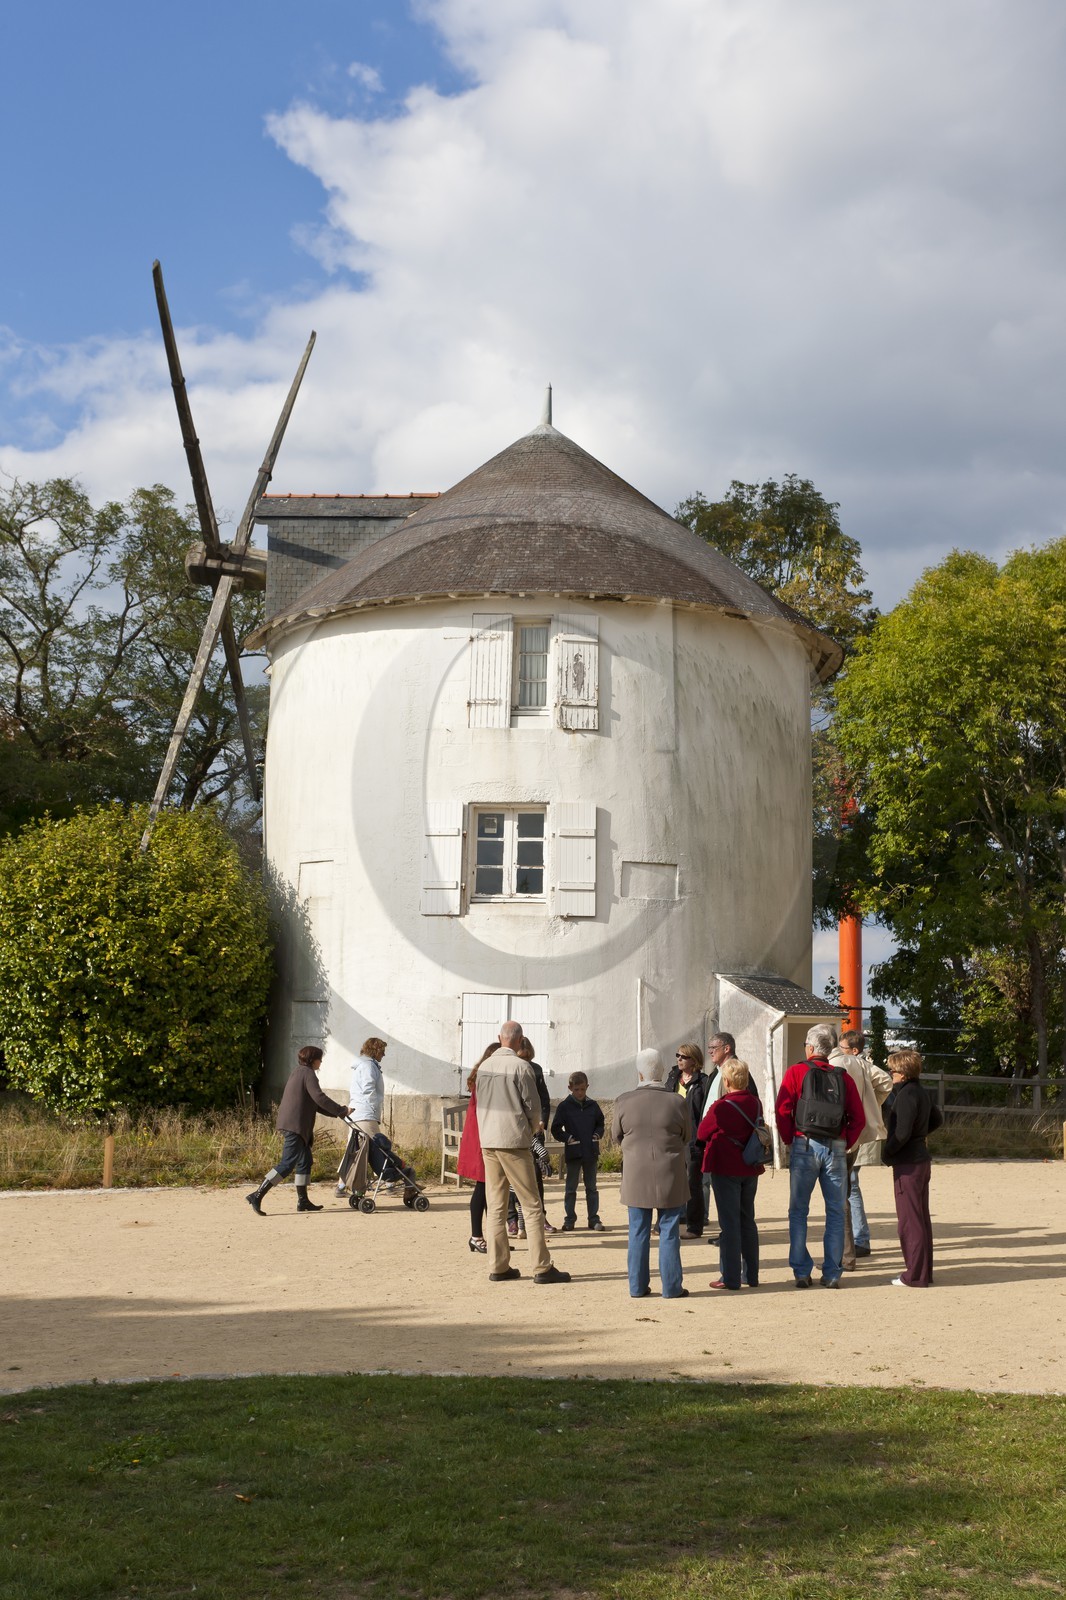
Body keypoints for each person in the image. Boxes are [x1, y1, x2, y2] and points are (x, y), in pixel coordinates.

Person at [477, 1020, 570, 1285]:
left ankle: (498, 1265)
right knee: (531, 1204)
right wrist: (531, 1130)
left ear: (500, 1038)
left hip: (489, 1140)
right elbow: (533, 1105)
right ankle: (541, 1267)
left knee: (496, 1205)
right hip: (513, 1140)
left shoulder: (484, 1066)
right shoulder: (521, 1066)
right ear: (520, 1040)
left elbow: (479, 1102)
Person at [775, 1023, 866, 1287]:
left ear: (811, 1047)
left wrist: (788, 1139)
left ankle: (802, 1271)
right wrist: (844, 1142)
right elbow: (858, 1118)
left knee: (798, 1211)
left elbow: (783, 1110)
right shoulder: (843, 1077)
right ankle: (832, 1273)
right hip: (835, 1146)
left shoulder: (796, 1072)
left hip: (804, 1144)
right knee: (835, 1211)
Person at [611, 1047, 692, 1299]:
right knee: (669, 1231)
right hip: (670, 1172)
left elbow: (616, 1136)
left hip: (636, 1174)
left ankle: (637, 1286)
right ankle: (672, 1287)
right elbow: (687, 1136)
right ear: (661, 1071)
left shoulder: (623, 1101)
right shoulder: (677, 1101)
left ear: (640, 1073)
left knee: (637, 1231)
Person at [246, 1044, 348, 1214]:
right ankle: (257, 1195)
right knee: (286, 1164)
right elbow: (319, 1097)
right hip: (295, 1126)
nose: (321, 1062)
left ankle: (303, 1201)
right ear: (313, 1060)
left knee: (305, 1161)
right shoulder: (308, 1074)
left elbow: (314, 1103)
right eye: (319, 1059)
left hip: (294, 1125)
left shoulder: (298, 1072)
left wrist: (339, 1113)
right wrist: (341, 1110)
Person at [697, 1058, 763, 1290]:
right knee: (747, 1221)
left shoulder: (721, 1106)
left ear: (726, 1081)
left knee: (730, 1224)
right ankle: (751, 1275)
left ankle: (731, 1277)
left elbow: (702, 1133)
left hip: (726, 1167)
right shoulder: (755, 1102)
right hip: (750, 1166)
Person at [829, 1028, 892, 1268]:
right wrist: (872, 1104)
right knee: (851, 1186)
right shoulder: (863, 1065)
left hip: (852, 1133)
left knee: (849, 1187)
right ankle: (858, 1238)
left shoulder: (850, 1064)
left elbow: (886, 1082)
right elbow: (885, 1082)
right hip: (860, 1131)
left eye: (843, 1048)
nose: (840, 1051)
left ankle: (858, 1239)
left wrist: (871, 1104)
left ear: (853, 1050)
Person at [883, 1049, 943, 1288]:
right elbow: (937, 1119)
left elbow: (902, 1133)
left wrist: (887, 1152)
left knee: (909, 1221)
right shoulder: (921, 1091)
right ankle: (923, 1272)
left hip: (908, 1163)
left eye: (893, 1070)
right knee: (920, 1217)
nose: (891, 1073)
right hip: (920, 1160)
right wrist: (920, 1135)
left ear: (903, 1073)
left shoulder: (906, 1095)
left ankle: (915, 1275)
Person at [510, 1036, 556, 1235]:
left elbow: (544, 1099)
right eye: (522, 1058)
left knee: (536, 1176)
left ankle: (541, 1217)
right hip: (516, 1130)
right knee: (512, 1178)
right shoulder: (511, 1069)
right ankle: (512, 1219)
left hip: (535, 1130)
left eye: (528, 1058)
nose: (525, 1062)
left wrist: (542, 1121)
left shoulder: (536, 1070)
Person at [456, 1042, 499, 1254]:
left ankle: (494, 1238)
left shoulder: (484, 1078)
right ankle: (476, 1236)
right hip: (481, 1139)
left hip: (483, 1136)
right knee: (483, 1188)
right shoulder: (485, 1080)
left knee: (491, 1190)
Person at [551, 1072, 605, 1231]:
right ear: (570, 1088)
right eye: (576, 1090)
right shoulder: (564, 1107)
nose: (580, 1093)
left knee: (592, 1188)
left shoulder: (593, 1106)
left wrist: (597, 1134)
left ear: (587, 1087)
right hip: (573, 1153)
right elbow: (555, 1129)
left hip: (591, 1153)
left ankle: (593, 1219)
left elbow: (600, 1124)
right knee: (570, 1189)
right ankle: (569, 1220)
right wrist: (567, 1138)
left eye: (582, 1089)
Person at [335, 1036, 388, 1198]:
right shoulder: (368, 1066)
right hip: (365, 1114)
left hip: (358, 1113)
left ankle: (341, 1186)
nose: (384, 1054)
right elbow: (368, 1089)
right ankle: (389, 1181)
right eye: (382, 1051)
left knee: (354, 1150)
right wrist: (373, 1110)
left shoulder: (364, 1065)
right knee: (378, 1148)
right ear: (375, 1050)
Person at [665, 1044, 710, 1238]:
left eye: (683, 1056)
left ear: (694, 1060)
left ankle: (694, 1227)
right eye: (678, 1055)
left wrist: (702, 1137)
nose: (679, 1059)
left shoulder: (703, 1082)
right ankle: (666, 1224)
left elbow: (706, 1111)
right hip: (672, 1137)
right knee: (670, 1181)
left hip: (693, 1140)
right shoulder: (672, 1079)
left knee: (693, 1183)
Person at [700, 1032, 738, 1236]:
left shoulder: (737, 1071)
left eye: (713, 1047)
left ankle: (729, 1236)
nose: (710, 1051)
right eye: (709, 1047)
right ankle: (727, 1234)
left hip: (726, 1143)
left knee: (727, 1193)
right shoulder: (715, 1072)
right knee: (715, 1187)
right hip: (713, 1139)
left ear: (727, 1048)